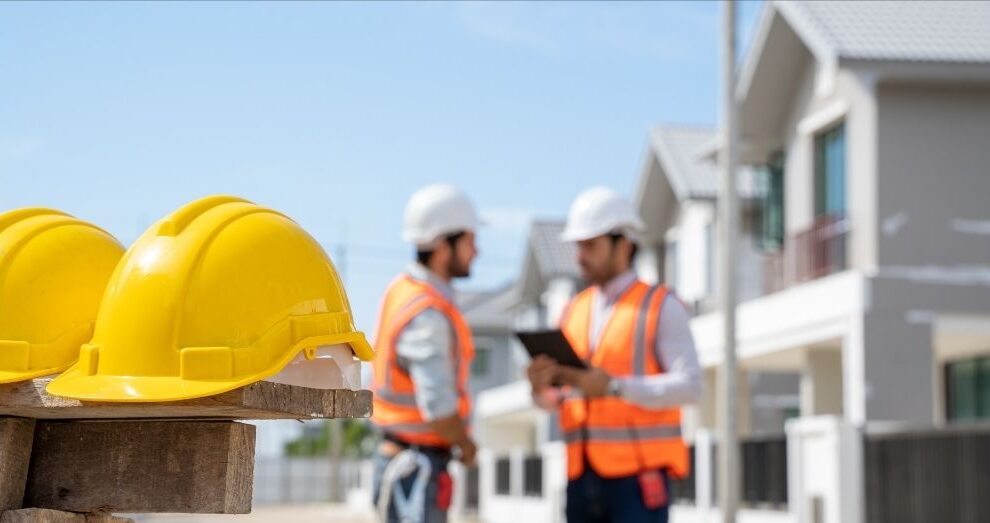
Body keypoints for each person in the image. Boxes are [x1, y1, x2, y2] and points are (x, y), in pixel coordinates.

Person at [527, 186, 702, 523]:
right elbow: (559, 398)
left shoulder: (660, 306)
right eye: (578, 245)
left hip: (637, 482)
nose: (580, 256)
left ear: (623, 244)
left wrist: (614, 387)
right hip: (580, 478)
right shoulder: (572, 311)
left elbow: (691, 386)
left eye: (590, 245)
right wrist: (539, 389)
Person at [370, 184, 481, 523]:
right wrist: (467, 445)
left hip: (403, 459)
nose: (476, 252)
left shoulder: (402, 291)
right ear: (444, 245)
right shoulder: (427, 313)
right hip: (416, 469)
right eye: (469, 241)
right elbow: (438, 408)